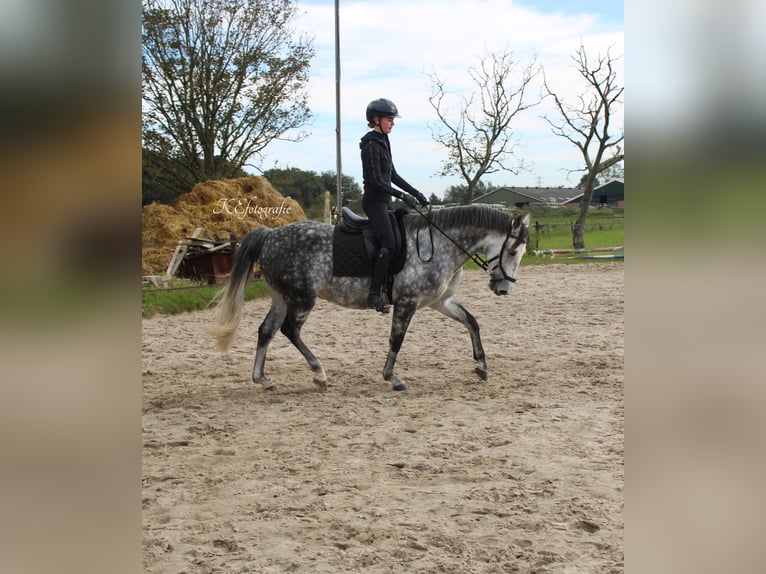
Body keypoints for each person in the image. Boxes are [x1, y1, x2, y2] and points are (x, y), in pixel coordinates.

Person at [359, 98, 429, 313]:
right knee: (388, 244)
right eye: (390, 119)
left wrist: (415, 192)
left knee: (401, 240)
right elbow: (375, 181)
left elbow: (393, 175)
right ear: (376, 119)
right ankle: (373, 294)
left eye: (392, 120)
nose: (393, 123)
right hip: (374, 203)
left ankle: (389, 287)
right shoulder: (371, 145)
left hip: (385, 202)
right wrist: (401, 195)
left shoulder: (383, 141)